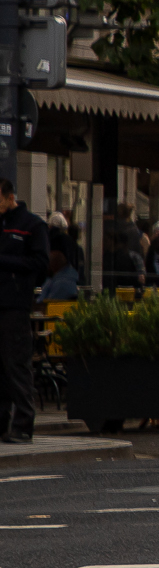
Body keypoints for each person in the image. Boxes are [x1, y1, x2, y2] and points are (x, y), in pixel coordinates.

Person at [0, 176, 48, 443]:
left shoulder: (31, 225)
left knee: (16, 364)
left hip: (15, 305)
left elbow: (40, 262)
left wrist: (5, 262)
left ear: (10, 197)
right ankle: (2, 422)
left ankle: (23, 425)